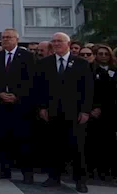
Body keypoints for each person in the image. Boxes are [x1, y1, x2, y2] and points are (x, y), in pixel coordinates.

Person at [35, 32, 93, 193]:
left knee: (77, 149)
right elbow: (39, 88)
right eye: (53, 41)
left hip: (74, 113)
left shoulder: (81, 63)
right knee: (53, 147)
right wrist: (42, 108)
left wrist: (85, 111)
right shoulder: (44, 63)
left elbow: (88, 89)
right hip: (52, 112)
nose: (56, 44)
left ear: (68, 43)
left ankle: (80, 181)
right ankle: (54, 177)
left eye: (59, 41)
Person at [0, 28, 35, 184]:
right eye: (3, 37)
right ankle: (4, 170)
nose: (5, 40)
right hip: (1, 104)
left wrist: (18, 95)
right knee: (2, 139)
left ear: (16, 39)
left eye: (9, 37)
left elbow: (31, 80)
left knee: (23, 141)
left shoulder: (27, 56)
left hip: (20, 106)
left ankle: (27, 174)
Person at [87, 44, 116, 180]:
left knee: (108, 142)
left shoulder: (114, 70)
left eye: (106, 54)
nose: (103, 56)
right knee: (93, 142)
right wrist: (94, 107)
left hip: (111, 112)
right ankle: (92, 169)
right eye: (101, 53)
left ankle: (105, 170)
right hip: (95, 111)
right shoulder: (91, 70)